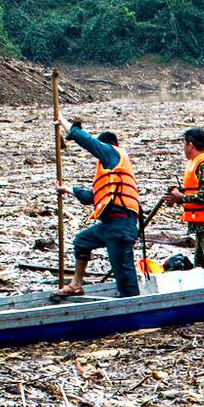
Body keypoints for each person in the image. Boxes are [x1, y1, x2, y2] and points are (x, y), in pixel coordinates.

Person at [58, 120, 141, 297]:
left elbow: (88, 142)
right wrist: (68, 189)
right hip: (109, 226)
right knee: (82, 241)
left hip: (121, 225)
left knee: (124, 277)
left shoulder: (114, 153)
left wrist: (64, 122)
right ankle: (76, 284)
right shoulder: (110, 174)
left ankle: (137, 315)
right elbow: (90, 197)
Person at [164, 127, 204, 286]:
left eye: (184, 144)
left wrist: (181, 197)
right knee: (200, 263)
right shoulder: (196, 163)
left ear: (191, 145)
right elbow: (195, 191)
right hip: (202, 223)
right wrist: (177, 197)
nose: (183, 148)